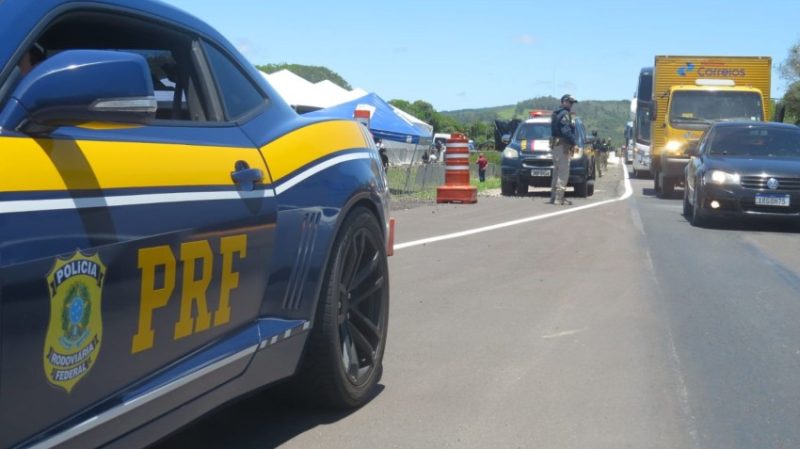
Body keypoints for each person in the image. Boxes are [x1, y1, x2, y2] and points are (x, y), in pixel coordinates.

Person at [549, 94, 579, 205]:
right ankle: (558, 198)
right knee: (563, 173)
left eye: (572, 103)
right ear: (564, 102)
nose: (571, 105)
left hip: (555, 146)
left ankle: (553, 197)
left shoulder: (555, 113)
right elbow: (566, 131)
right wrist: (574, 142)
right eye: (570, 102)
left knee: (556, 172)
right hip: (562, 146)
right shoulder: (565, 114)